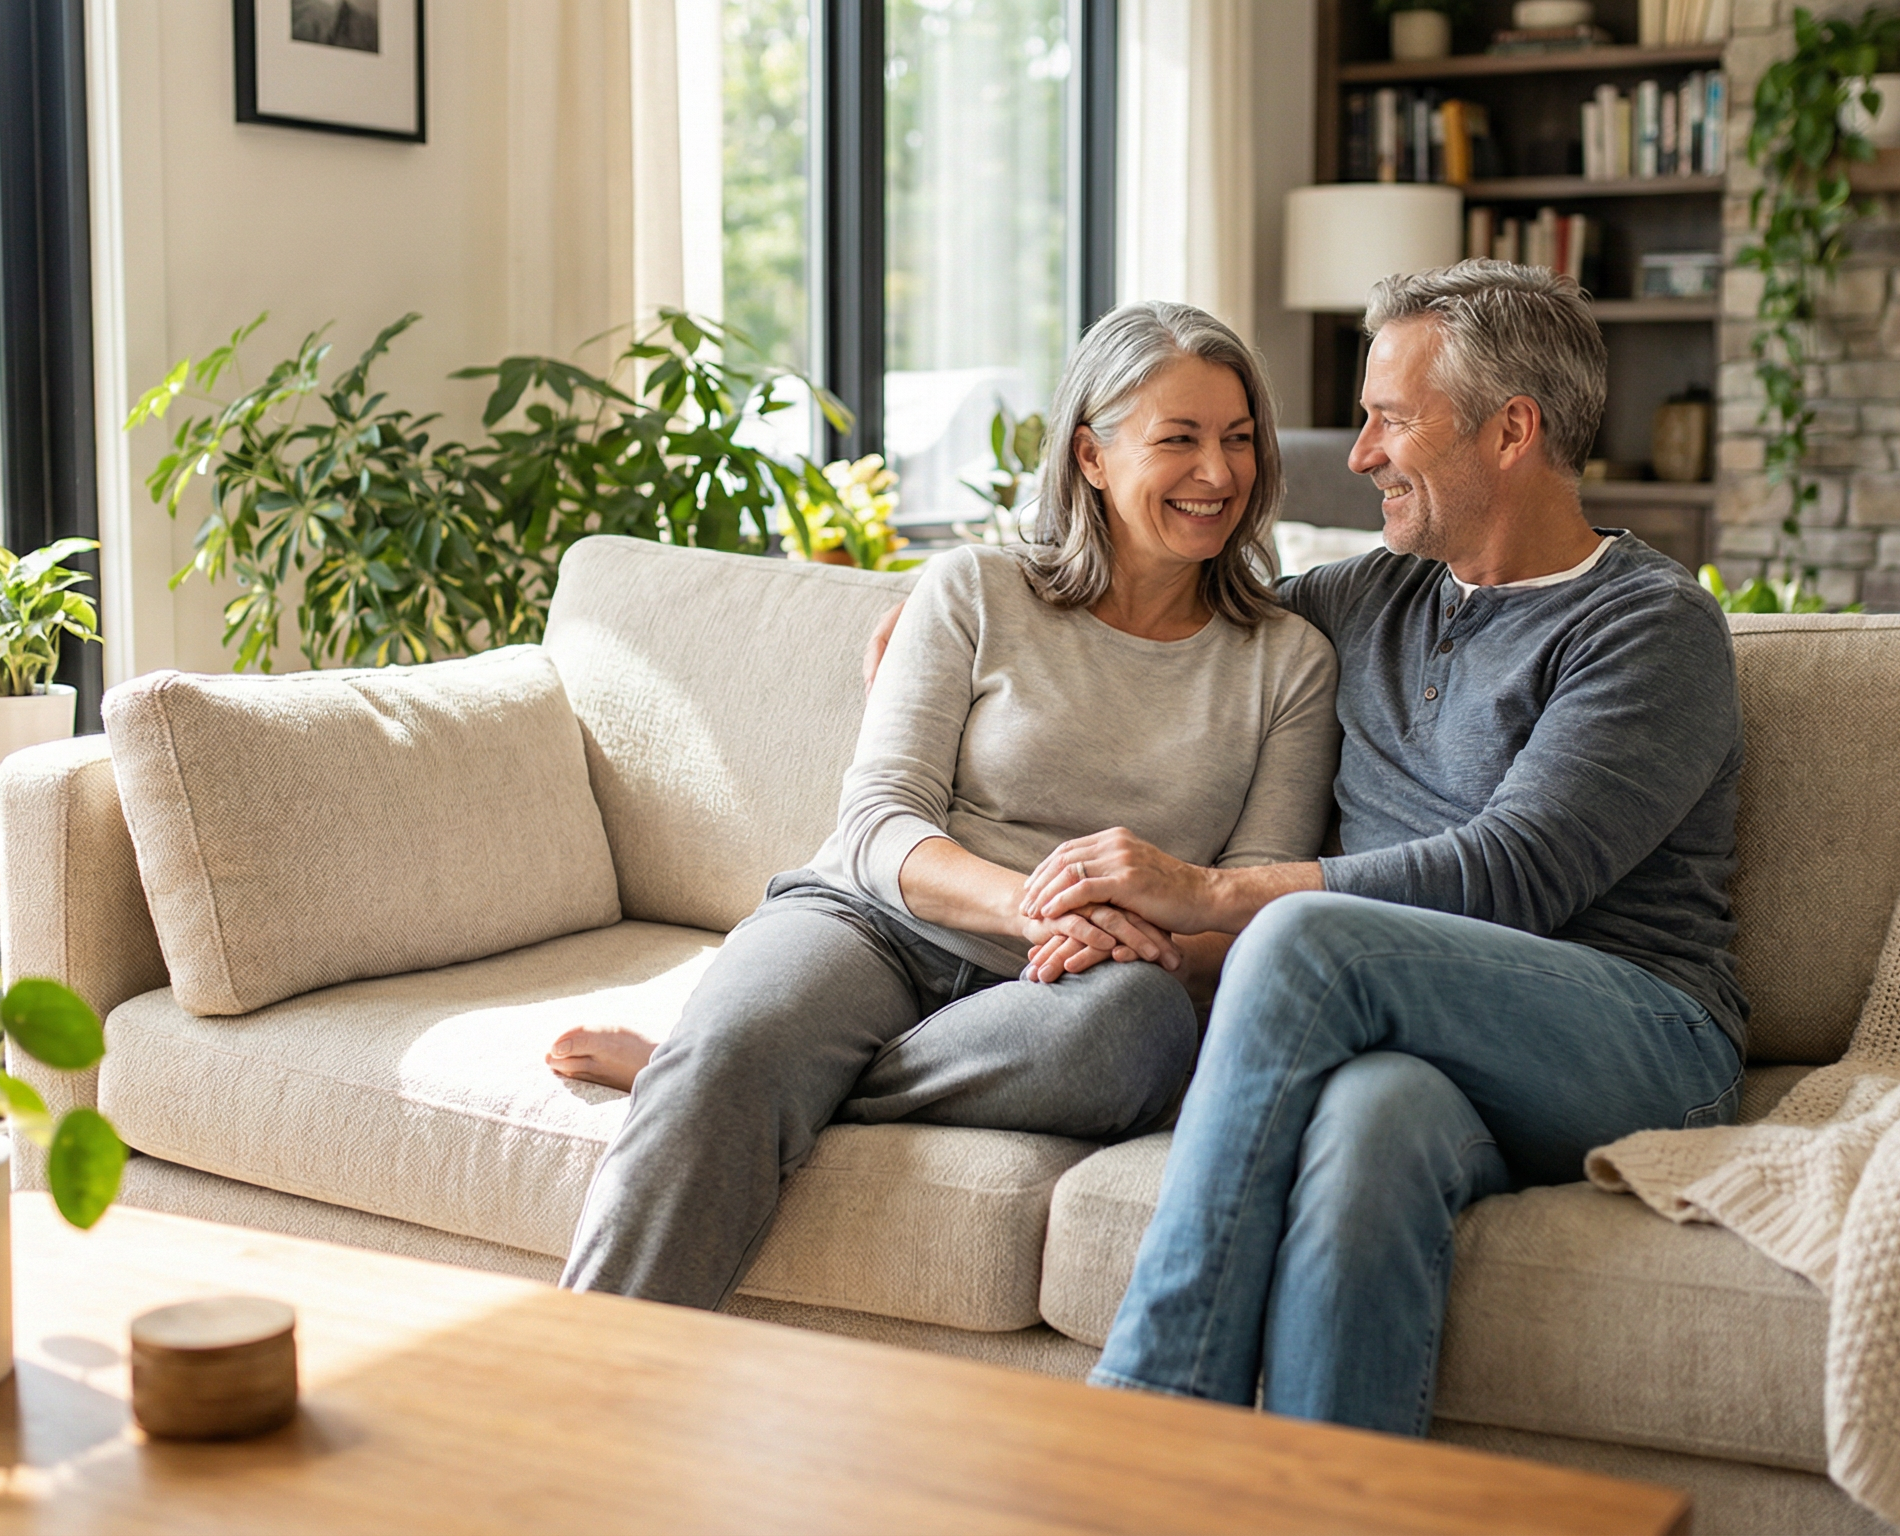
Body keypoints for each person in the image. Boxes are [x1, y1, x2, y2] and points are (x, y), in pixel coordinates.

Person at [1021, 259, 1749, 1434]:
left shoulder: (1650, 626)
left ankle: (1142, 1430)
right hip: (1419, 1045)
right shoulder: (1365, 599)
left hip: (1641, 1035)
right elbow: (1167, 609)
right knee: (1368, 1130)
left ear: (1512, 430)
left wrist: (1208, 893)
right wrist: (985, 596)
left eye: (1389, 420)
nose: (1358, 453)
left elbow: (1513, 873)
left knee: (1305, 940)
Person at [556, 301, 1341, 1310]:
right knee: (751, 1039)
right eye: (1178, 439)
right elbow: (879, 823)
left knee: (1140, 1034)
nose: (1219, 473)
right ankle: (589, 1363)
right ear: (1092, 456)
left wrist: (1146, 948)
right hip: (874, 924)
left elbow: (1247, 905)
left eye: (1238, 441)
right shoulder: (974, 589)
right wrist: (1037, 907)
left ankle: (724, 1072)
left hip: (1082, 993)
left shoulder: (1287, 662)